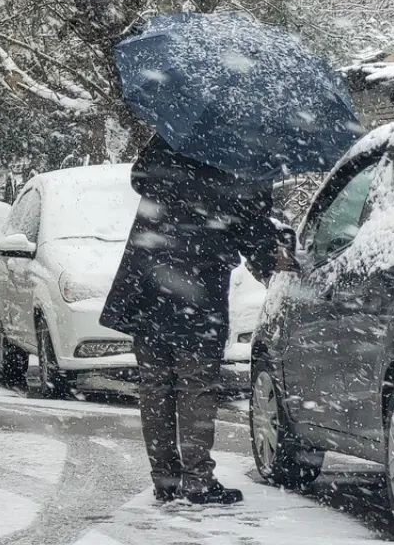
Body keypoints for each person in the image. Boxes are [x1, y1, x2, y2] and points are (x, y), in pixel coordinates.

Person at [102, 135, 278, 506]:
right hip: (198, 288)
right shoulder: (245, 152)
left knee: (156, 384)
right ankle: (197, 479)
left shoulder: (174, 135)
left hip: (148, 279)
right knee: (196, 384)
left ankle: (165, 480)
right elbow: (252, 225)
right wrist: (270, 260)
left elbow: (142, 178)